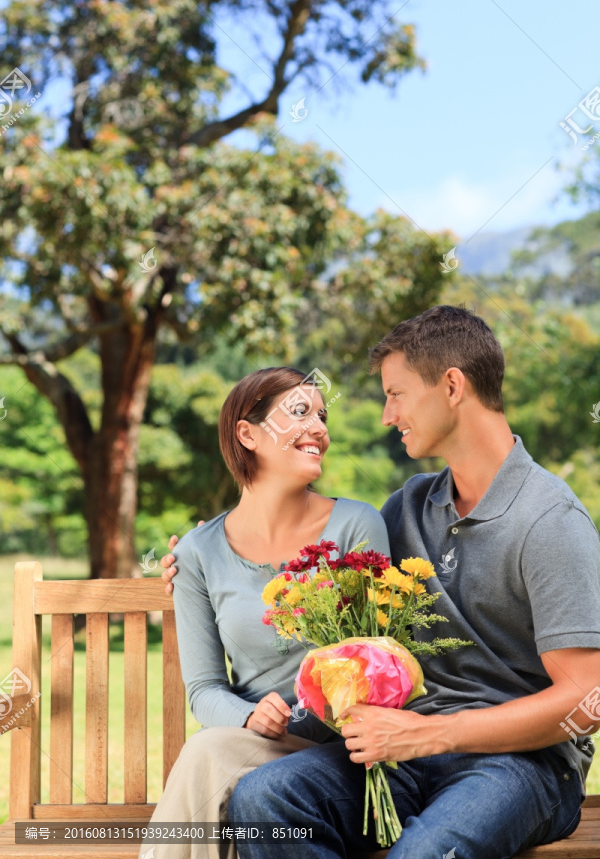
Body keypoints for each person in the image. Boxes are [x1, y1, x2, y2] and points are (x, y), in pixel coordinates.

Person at [218, 305, 600, 859]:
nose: (385, 414)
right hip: (404, 756)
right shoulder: (410, 507)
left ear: (451, 386)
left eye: (395, 394)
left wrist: (436, 734)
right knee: (263, 805)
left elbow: (587, 698)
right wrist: (208, 552)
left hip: (522, 767)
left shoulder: (549, 521)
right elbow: (312, 557)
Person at [139, 366, 390, 859]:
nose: (320, 428)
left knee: (209, 754)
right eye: (301, 413)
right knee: (216, 757)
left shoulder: (357, 527)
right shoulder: (196, 552)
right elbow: (205, 689)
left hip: (342, 758)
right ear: (247, 433)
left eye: (322, 415)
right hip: (251, 748)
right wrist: (250, 715)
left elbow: (376, 667)